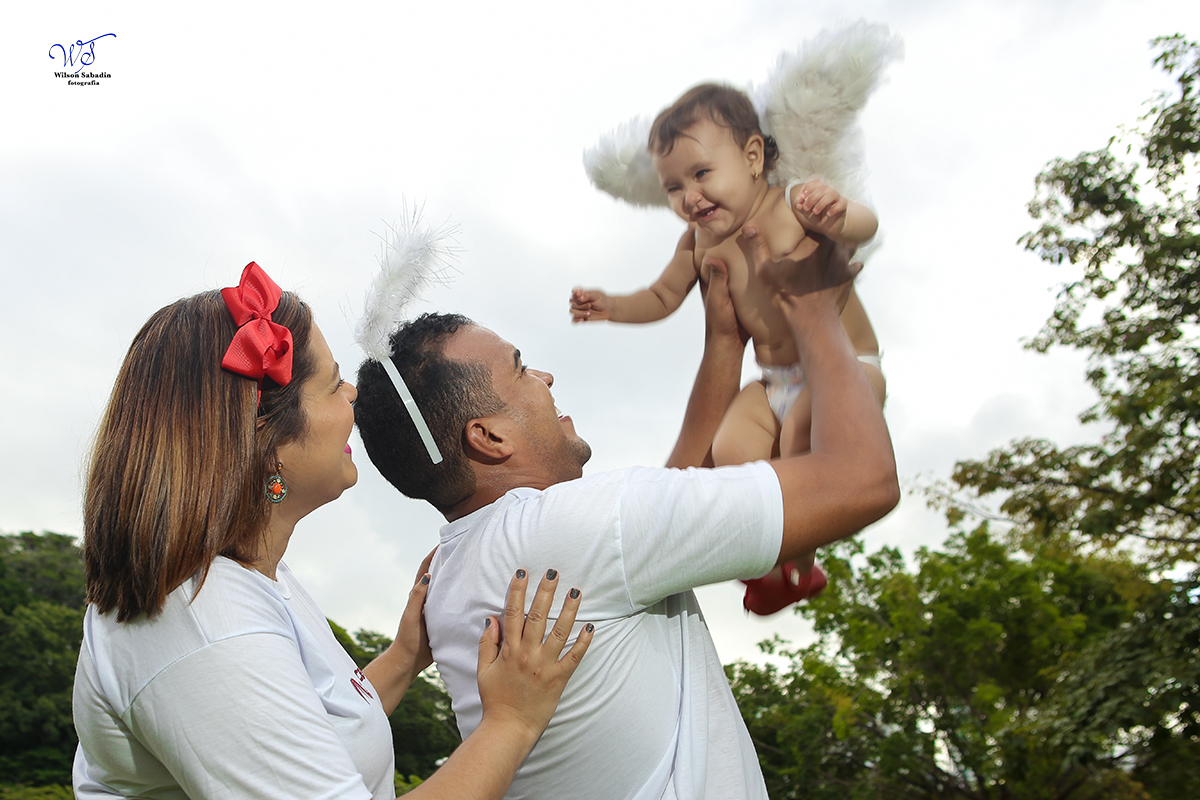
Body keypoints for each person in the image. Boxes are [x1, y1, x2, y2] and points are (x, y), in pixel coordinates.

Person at [354, 228, 899, 799]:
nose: (545, 378)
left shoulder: (457, 567)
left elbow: (674, 495)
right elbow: (863, 480)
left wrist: (723, 343)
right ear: (488, 436)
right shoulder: (572, 528)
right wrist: (813, 311)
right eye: (520, 370)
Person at [71, 262, 593, 800]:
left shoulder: (253, 582)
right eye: (329, 385)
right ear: (267, 441)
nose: (352, 395)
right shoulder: (204, 622)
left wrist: (404, 658)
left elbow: (302, 735)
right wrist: (511, 720)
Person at [569, 83, 888, 613]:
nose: (689, 197)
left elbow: (867, 224)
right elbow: (662, 296)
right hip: (775, 382)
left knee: (803, 435)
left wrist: (839, 214)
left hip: (845, 369)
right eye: (673, 188)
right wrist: (612, 307)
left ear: (753, 157)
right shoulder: (697, 243)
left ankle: (799, 565)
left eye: (701, 174)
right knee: (733, 450)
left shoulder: (791, 205)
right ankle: (771, 562)